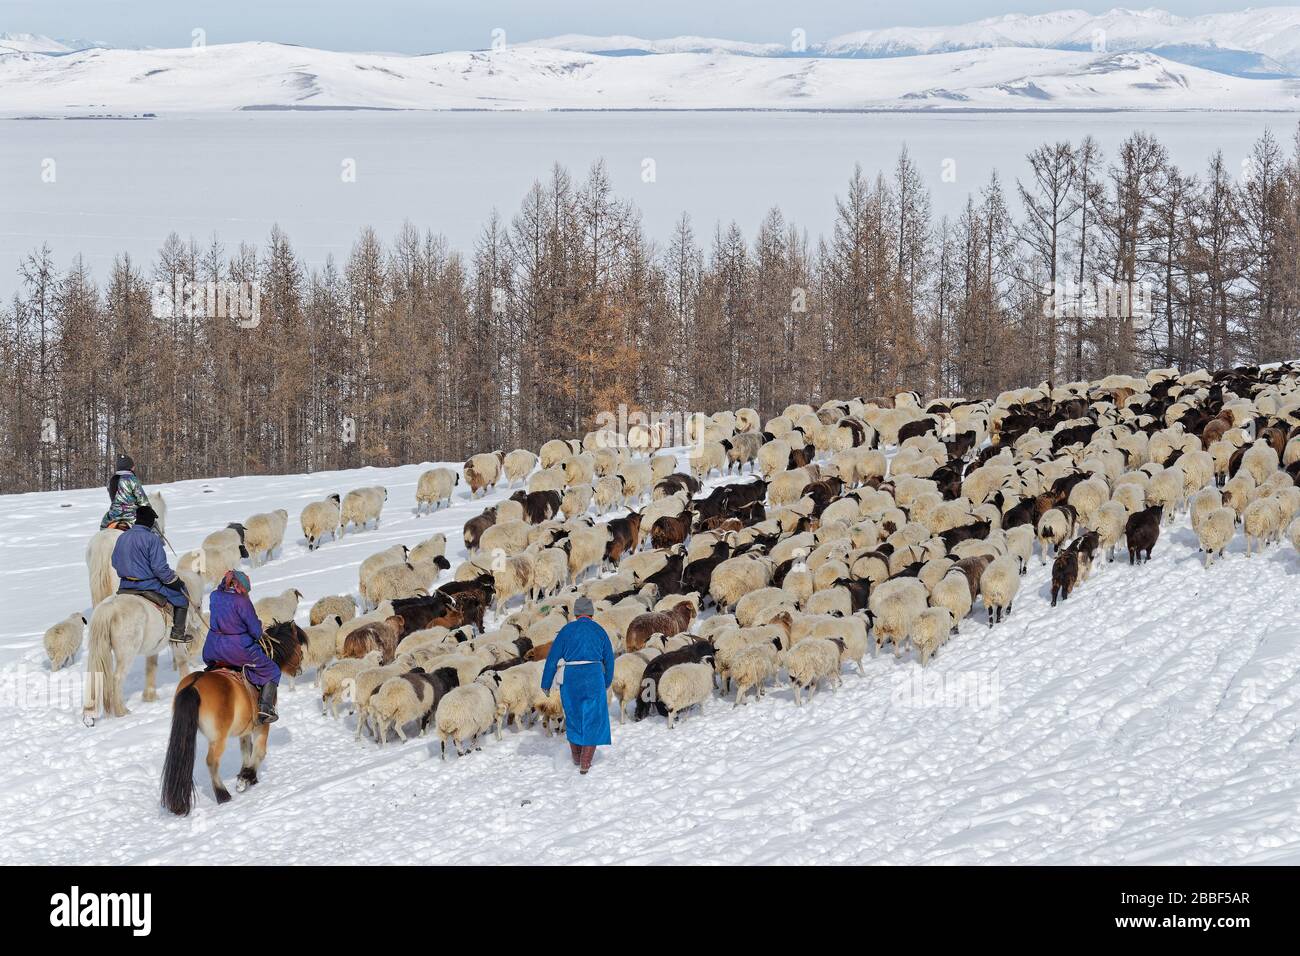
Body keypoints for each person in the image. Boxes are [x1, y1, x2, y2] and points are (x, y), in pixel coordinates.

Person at [540, 595, 615, 774]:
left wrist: (546, 682)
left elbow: (552, 658)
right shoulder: (599, 630)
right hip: (593, 676)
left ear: (575, 613)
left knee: (573, 715)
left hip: (572, 678)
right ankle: (585, 763)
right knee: (593, 717)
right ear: (591, 613)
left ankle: (576, 757)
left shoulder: (567, 630)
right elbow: (609, 659)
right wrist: (606, 681)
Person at [204, 569, 280, 725]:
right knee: (272, 670)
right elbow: (256, 632)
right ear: (239, 586)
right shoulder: (242, 601)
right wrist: (258, 627)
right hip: (237, 650)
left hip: (212, 649)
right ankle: (265, 708)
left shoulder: (214, 596)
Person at [110, 504, 189, 644]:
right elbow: (160, 569)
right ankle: (177, 633)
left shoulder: (122, 537)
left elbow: (115, 562)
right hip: (147, 585)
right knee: (182, 598)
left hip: (124, 584)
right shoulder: (152, 539)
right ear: (150, 521)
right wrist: (175, 581)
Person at [100, 454, 152, 530]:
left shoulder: (111, 480)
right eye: (133, 466)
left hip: (113, 515)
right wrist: (149, 510)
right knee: (152, 528)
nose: (134, 468)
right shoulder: (133, 480)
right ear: (129, 467)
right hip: (131, 516)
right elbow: (142, 500)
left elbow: (113, 498)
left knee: (103, 527)